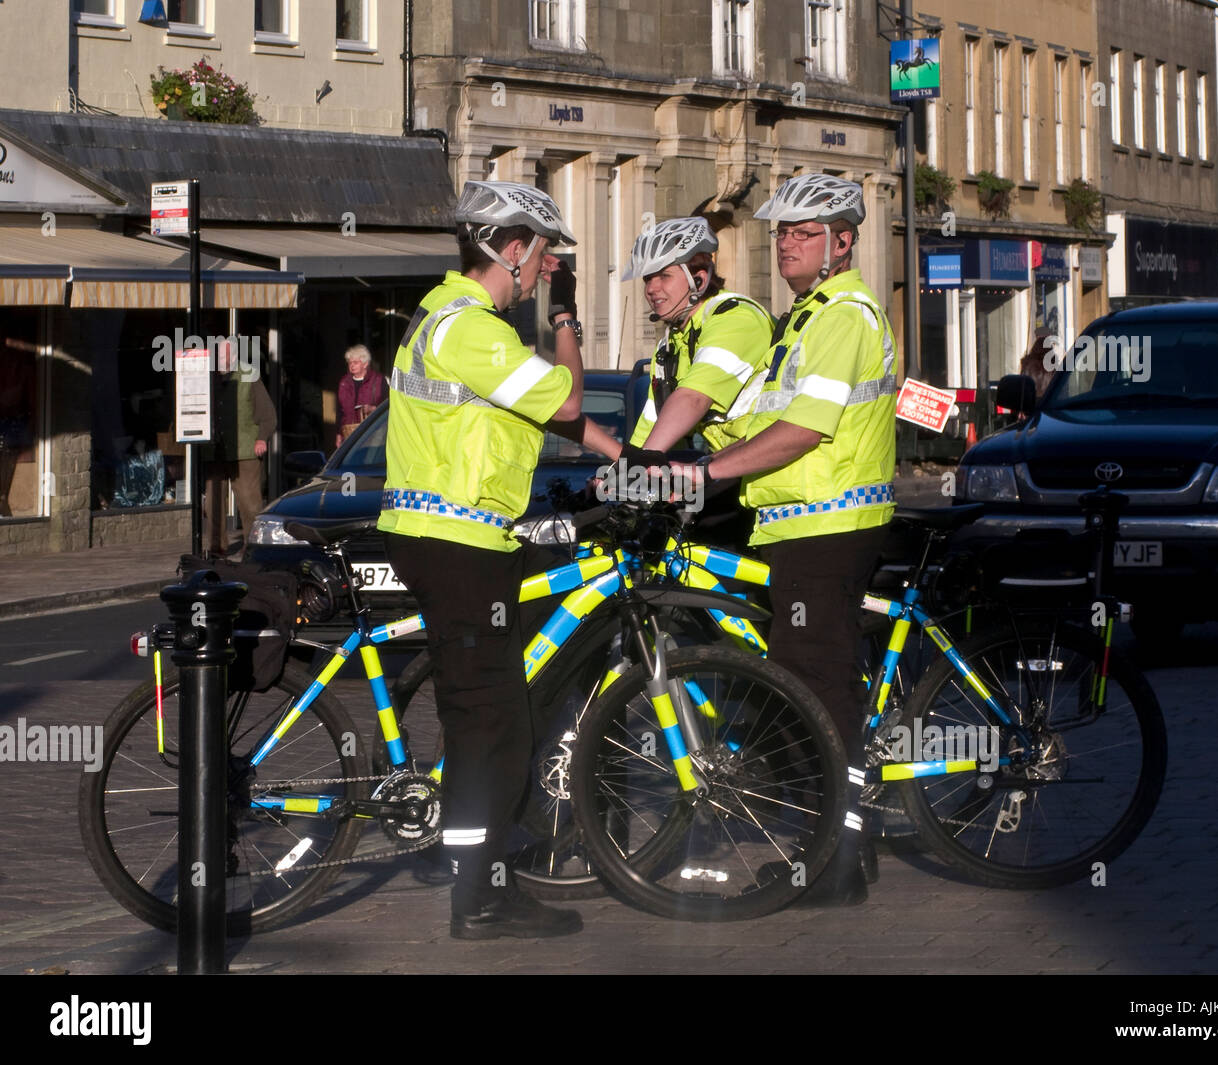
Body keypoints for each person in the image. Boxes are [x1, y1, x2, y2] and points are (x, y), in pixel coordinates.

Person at [379, 180, 619, 940]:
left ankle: (484, 881)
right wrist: (567, 319)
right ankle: (478, 899)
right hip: (457, 544)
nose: (545, 269)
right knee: (493, 722)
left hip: (459, 540)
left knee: (487, 713)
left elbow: (541, 417)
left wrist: (631, 457)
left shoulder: (448, 320)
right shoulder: (472, 330)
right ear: (512, 251)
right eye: (542, 256)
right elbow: (568, 401)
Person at [671, 173, 898, 905]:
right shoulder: (803, 318)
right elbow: (764, 419)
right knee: (808, 689)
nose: (787, 246)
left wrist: (707, 476)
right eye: (782, 234)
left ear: (842, 242)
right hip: (798, 526)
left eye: (802, 234)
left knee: (820, 695)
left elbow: (804, 431)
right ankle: (833, 847)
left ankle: (835, 859)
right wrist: (677, 459)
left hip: (829, 524)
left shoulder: (846, 315)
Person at [623, 218, 773, 458]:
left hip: (772, 464)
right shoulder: (671, 344)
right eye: (647, 279)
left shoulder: (736, 320)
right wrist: (620, 470)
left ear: (699, 280)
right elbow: (652, 423)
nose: (651, 288)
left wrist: (637, 466)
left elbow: (693, 399)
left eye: (663, 276)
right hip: (735, 464)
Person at [204, 343, 276, 558]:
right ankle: (217, 546)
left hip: (244, 449)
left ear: (233, 356)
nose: (219, 358)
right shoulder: (209, 376)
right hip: (215, 448)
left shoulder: (249, 375)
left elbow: (268, 414)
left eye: (223, 354)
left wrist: (261, 439)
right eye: (217, 354)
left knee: (248, 501)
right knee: (213, 501)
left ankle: (253, 544)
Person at [336, 344, 387, 447]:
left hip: (373, 432)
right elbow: (339, 412)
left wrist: (374, 409)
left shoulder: (378, 380)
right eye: (350, 363)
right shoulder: (344, 383)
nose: (352, 366)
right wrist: (338, 434)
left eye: (355, 362)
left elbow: (388, 405)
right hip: (349, 434)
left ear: (365, 364)